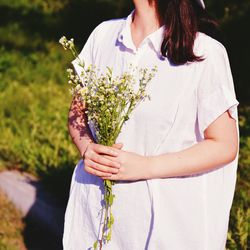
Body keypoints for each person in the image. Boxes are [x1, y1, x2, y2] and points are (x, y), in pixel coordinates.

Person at [62, 0, 240, 249]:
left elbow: (224, 145)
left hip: (166, 227)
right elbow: (77, 111)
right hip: (97, 217)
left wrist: (146, 166)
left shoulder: (205, 51)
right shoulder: (103, 35)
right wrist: (87, 148)